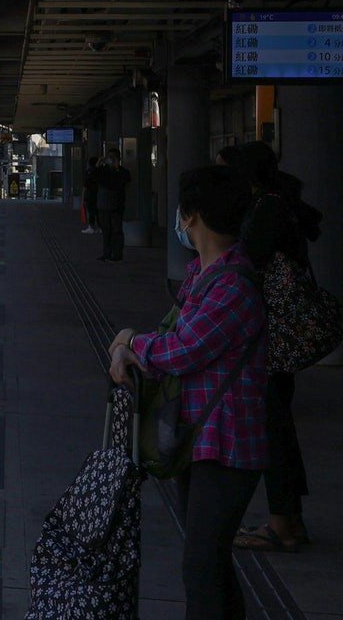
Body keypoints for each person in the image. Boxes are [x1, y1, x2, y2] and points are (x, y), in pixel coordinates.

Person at [109, 165, 266, 620]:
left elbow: (183, 349)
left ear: (192, 215)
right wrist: (133, 343)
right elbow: (170, 336)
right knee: (210, 564)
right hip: (198, 441)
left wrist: (129, 342)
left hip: (228, 447)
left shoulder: (234, 285)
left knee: (200, 567)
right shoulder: (203, 274)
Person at [229, 140, 322, 553]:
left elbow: (246, 263)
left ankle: (282, 525)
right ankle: (289, 520)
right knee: (278, 423)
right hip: (279, 334)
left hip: (270, 334)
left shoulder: (266, 209)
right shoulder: (276, 202)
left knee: (272, 428)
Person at [94, 149, 132, 263]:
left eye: (113, 157)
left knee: (116, 230)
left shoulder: (122, 172)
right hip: (103, 205)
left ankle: (117, 254)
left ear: (119, 159)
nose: (111, 160)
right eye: (109, 157)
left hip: (116, 206)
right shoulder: (102, 170)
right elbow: (93, 178)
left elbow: (125, 179)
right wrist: (98, 165)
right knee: (106, 230)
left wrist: (116, 167)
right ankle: (107, 252)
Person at [80, 156, 102, 234]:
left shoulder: (89, 172)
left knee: (91, 211)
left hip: (90, 195)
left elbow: (85, 186)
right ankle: (100, 227)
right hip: (99, 194)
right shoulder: (100, 172)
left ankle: (91, 227)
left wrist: (82, 198)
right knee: (98, 211)